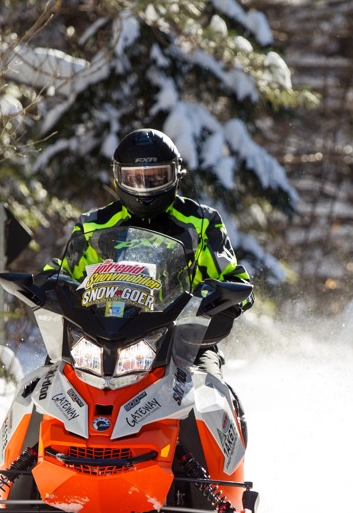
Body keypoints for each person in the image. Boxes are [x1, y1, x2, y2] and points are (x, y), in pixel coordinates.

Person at [47, 128, 252, 379]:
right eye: (134, 178)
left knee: (210, 386)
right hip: (100, 340)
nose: (144, 187)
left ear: (175, 174)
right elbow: (65, 272)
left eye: (156, 178)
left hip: (184, 341)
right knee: (48, 377)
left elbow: (232, 277)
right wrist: (46, 283)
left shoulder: (201, 221)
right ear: (117, 176)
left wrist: (222, 298)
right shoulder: (94, 225)